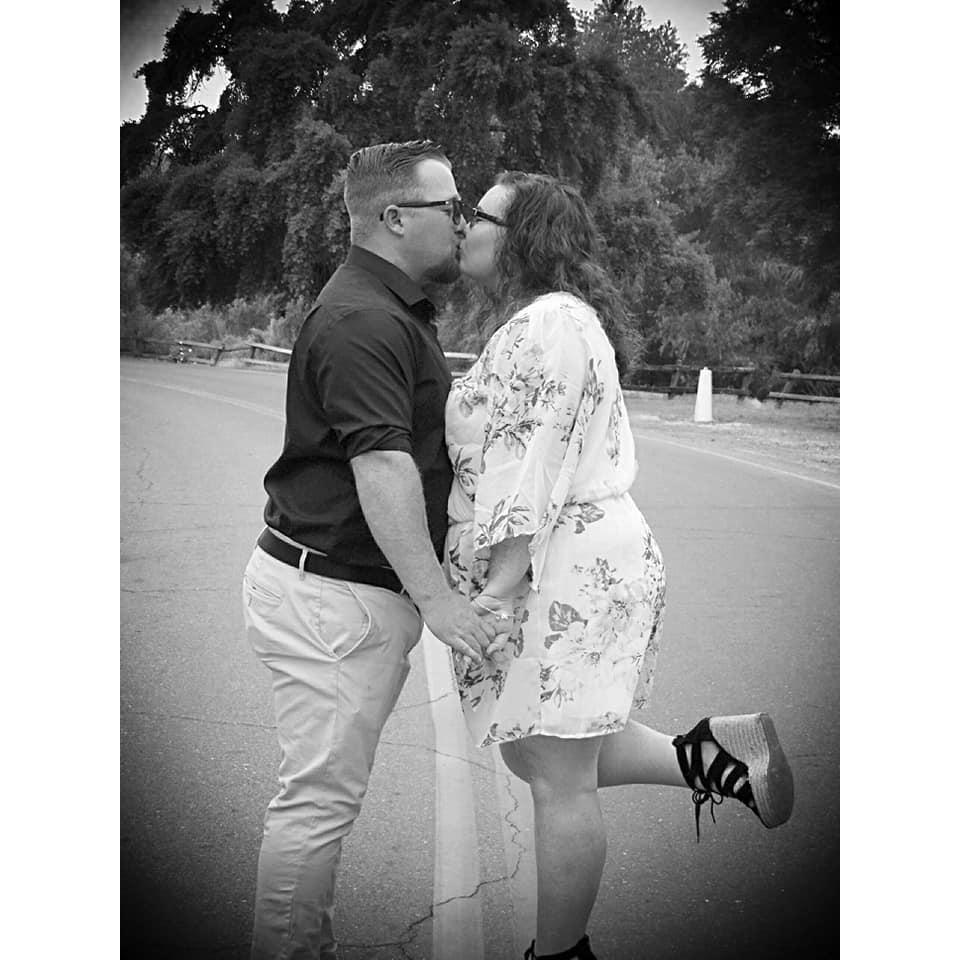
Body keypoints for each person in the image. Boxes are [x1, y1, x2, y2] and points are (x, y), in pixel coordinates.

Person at [446, 171, 795, 960]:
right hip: (572, 562)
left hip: (558, 570)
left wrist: (498, 588)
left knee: (556, 775)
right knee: (536, 750)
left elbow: (528, 462)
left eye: (481, 214)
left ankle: (560, 953)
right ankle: (711, 756)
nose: (466, 224)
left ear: (520, 236)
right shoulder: (548, 320)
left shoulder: (549, 324)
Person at [241, 140, 498, 960]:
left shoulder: (389, 309)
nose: (462, 222)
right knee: (316, 805)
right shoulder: (363, 320)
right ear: (393, 218)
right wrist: (440, 601)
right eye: (450, 207)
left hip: (337, 591)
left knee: (321, 800)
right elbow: (382, 467)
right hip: (333, 596)